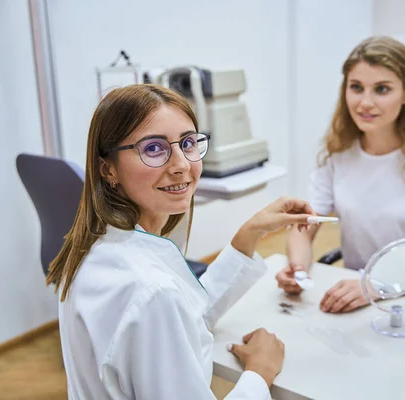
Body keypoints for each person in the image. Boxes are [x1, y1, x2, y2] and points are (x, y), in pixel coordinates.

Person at [46, 84, 317, 399]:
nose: (181, 165)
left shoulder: (95, 249)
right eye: (153, 149)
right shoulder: (150, 291)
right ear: (108, 169)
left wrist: (249, 234)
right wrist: (259, 373)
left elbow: (181, 319)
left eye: (188, 143)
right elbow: (162, 306)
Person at [276, 36, 405, 313]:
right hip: (360, 299)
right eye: (356, 87)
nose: (365, 102)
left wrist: (378, 286)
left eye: (382, 89)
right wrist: (298, 268)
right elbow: (303, 230)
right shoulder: (338, 156)